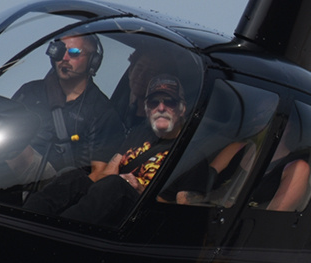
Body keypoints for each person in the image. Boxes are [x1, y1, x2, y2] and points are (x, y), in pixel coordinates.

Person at [25, 75, 191, 225]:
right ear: (147, 109)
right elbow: (108, 172)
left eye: (169, 102)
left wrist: (142, 191)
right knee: (75, 178)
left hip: (143, 213)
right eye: (154, 103)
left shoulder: (191, 154)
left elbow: (180, 217)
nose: (161, 108)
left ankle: (61, 233)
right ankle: (28, 221)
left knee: (115, 185)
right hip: (112, 198)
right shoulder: (139, 134)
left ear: (182, 109)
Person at [10, 33, 124, 180]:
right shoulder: (30, 91)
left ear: (93, 61)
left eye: (74, 53)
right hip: (10, 172)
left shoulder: (102, 111)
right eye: (60, 51)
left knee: (14, 150)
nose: (64, 58)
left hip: (57, 182)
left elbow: (99, 172)